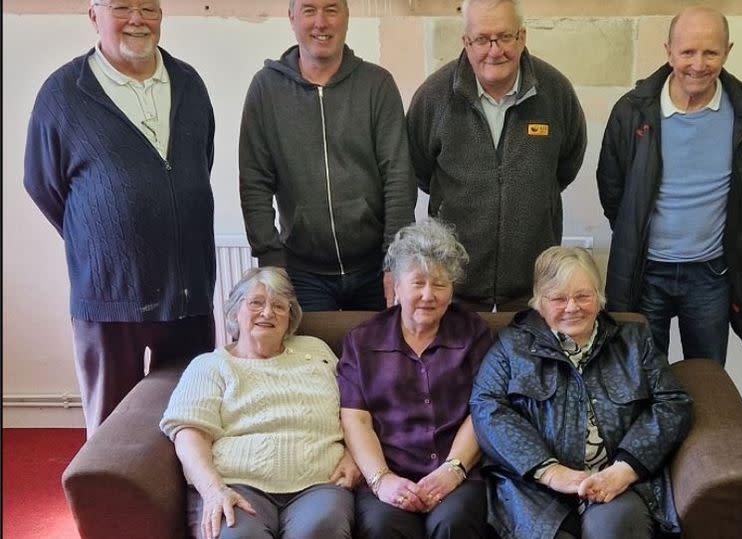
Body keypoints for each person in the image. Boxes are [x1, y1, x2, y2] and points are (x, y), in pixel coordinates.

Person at [24, 0, 216, 437]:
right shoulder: (63, 93)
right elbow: (42, 184)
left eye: (148, 7)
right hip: (108, 297)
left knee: (193, 420)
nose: (137, 19)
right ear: (94, 16)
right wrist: (102, 237)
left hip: (187, 293)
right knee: (115, 436)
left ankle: (183, 504)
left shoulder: (189, 83)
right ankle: (112, 510)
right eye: (122, 6)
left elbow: (199, 162)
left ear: (162, 16)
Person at [470, 246, 693, 539]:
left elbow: (672, 403)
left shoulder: (634, 342)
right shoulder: (512, 346)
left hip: (614, 481)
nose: (572, 307)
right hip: (534, 490)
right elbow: (486, 407)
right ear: (539, 302)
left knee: (615, 531)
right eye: (559, 298)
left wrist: (625, 469)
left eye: (583, 296)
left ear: (599, 298)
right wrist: (549, 471)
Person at [597, 6, 742, 365]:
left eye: (711, 52)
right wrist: (638, 233)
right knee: (641, 377)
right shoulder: (632, 111)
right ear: (668, 52)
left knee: (708, 376)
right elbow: (612, 188)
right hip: (645, 273)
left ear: (728, 52)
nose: (699, 64)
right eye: (688, 52)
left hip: (711, 274)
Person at [407, 0, 587, 312]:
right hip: (455, 287)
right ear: (466, 42)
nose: (494, 50)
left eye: (505, 37)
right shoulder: (433, 97)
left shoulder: (556, 92)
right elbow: (420, 171)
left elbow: (566, 165)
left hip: (533, 288)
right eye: (482, 39)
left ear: (522, 37)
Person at [239, 0, 416, 312]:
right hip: (302, 274)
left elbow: (399, 178)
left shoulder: (377, 85)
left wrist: (395, 261)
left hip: (376, 269)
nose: (321, 22)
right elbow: (255, 181)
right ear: (292, 17)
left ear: (346, 17)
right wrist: (271, 264)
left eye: (331, 9)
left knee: (377, 361)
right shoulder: (265, 90)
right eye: (309, 10)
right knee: (311, 360)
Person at [160, 267, 359, 539]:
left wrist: (353, 456)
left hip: (320, 483)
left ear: (290, 318)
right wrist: (213, 489)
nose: (267, 313)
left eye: (279, 306)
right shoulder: (210, 366)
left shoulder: (316, 349)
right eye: (256, 303)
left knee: (322, 529)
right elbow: (188, 434)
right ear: (234, 312)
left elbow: (355, 408)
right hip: (237, 484)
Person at [337, 218, 494, 538]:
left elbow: (484, 408)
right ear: (395, 285)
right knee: (383, 526)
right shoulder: (363, 340)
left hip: (459, 473)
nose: (428, 295)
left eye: (439, 284)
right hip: (388, 472)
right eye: (418, 282)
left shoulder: (474, 333)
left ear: (451, 291)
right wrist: (381, 480)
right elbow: (356, 420)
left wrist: (454, 469)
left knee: (452, 523)